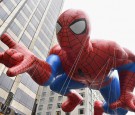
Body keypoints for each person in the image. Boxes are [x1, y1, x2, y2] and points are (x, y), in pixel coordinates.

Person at [0, 9, 135, 114]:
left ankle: (99, 106)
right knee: (54, 85)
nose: (65, 34)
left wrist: (126, 91)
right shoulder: (58, 53)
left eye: (76, 27)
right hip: (79, 80)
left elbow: (130, 62)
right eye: (60, 28)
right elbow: (47, 76)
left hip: (106, 82)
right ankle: (74, 97)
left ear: (87, 29)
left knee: (121, 110)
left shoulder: (108, 49)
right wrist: (34, 64)